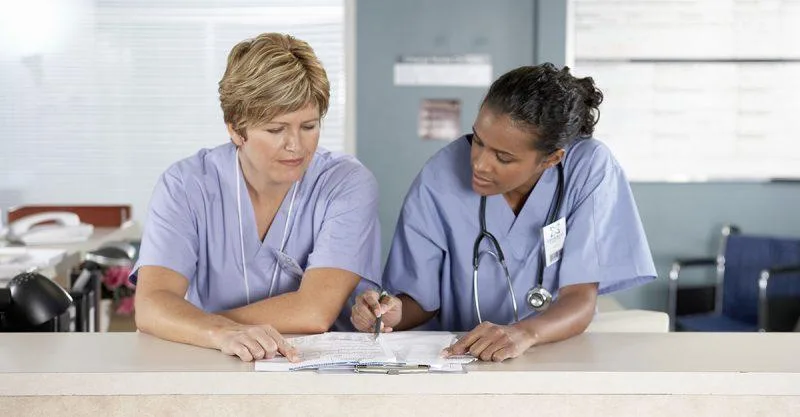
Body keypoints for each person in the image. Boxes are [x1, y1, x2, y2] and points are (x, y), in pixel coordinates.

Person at [351, 63, 656, 361]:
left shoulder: (588, 168)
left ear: (551, 158)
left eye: (504, 157)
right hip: (459, 358)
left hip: (551, 354)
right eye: (478, 141)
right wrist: (390, 312)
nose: (480, 164)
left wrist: (524, 334)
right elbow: (421, 300)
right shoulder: (441, 174)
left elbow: (580, 297)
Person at [132, 33, 381, 362]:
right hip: (216, 362)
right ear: (235, 129)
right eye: (276, 130)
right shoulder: (186, 186)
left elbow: (314, 311)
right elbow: (152, 304)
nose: (295, 145)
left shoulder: (344, 183)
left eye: (308, 126)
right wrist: (217, 333)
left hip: (318, 370)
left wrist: (194, 323)